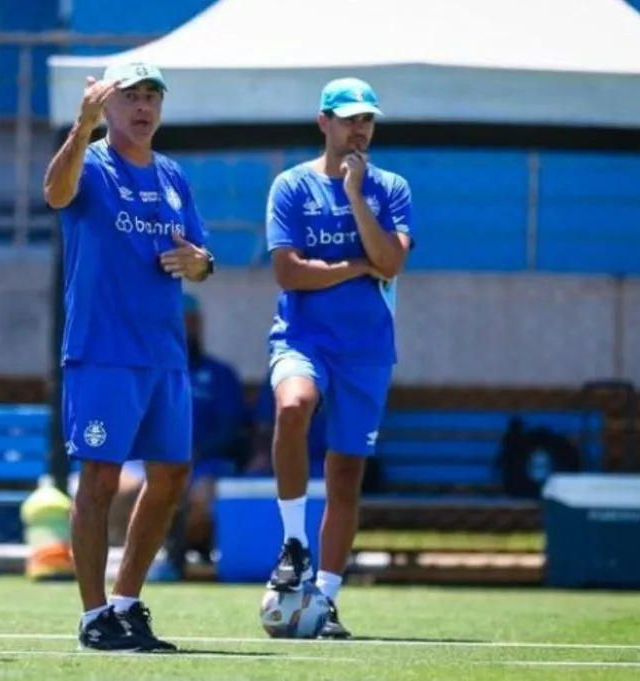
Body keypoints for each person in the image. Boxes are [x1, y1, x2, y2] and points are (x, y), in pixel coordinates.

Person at [42, 62, 214, 652]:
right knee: (98, 479)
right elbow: (55, 194)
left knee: (172, 476)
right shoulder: (90, 164)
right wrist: (80, 128)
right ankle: (93, 617)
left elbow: (199, 253)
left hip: (164, 352)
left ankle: (126, 603)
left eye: (151, 97)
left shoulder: (172, 176)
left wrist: (202, 265)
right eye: (131, 97)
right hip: (102, 351)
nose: (142, 107)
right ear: (107, 107)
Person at [263, 77, 414, 639]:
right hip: (302, 339)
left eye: (367, 120)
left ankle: (323, 600)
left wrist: (355, 196)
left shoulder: (390, 187)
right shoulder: (291, 185)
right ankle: (294, 545)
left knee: (346, 473)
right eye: (349, 118)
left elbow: (391, 262)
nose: (359, 129)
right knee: (293, 406)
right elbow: (288, 272)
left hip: (367, 349)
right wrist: (354, 267)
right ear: (322, 121)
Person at [109, 293, 245, 580]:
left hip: (207, 461)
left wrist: (194, 452)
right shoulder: (142, 373)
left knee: (198, 496)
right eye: (181, 323)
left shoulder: (220, 375)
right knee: (119, 488)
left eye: (194, 322)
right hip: (147, 456)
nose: (188, 329)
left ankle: (177, 558)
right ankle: (131, 564)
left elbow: (231, 430)